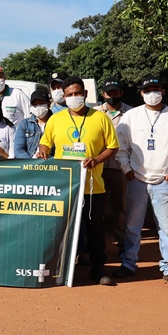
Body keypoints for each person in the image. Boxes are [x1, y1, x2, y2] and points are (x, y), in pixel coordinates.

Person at [112, 77, 168, 287]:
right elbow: (121, 147)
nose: (152, 93)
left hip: (163, 181)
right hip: (137, 179)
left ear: (163, 91)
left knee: (166, 227)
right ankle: (129, 263)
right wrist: (127, 170)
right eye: (147, 90)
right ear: (141, 93)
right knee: (133, 225)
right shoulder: (131, 116)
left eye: (156, 89)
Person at [38, 76, 119, 285]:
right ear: (63, 98)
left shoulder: (100, 118)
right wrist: (44, 152)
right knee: (61, 229)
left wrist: (97, 159)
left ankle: (97, 268)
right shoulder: (55, 119)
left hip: (93, 186)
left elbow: (113, 147)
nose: (74, 97)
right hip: (64, 187)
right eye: (69, 95)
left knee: (95, 230)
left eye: (77, 93)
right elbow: (45, 143)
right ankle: (60, 268)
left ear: (85, 94)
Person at [95, 77, 132, 254]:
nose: (112, 96)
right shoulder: (94, 113)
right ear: (103, 94)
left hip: (120, 168)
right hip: (98, 167)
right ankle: (97, 243)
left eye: (116, 93)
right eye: (109, 93)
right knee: (97, 208)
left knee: (121, 208)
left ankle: (122, 242)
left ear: (121, 93)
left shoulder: (131, 114)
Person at [14, 90, 52, 158]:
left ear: (49, 104)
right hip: (28, 165)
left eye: (41, 103)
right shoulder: (24, 124)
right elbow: (18, 149)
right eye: (35, 104)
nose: (38, 107)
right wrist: (31, 163)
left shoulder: (56, 123)